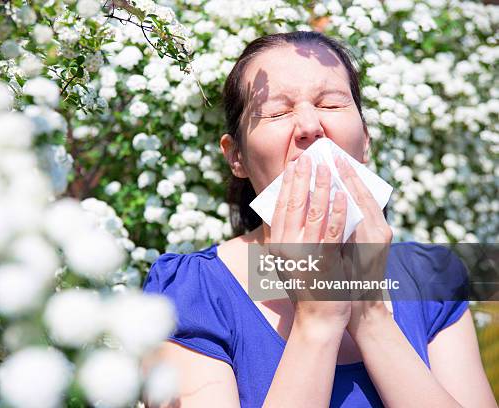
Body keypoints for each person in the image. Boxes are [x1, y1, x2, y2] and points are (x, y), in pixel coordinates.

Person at [142, 31, 496, 407]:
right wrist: (317, 324)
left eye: (331, 105)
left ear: (365, 140)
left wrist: (371, 315)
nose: (310, 126)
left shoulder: (429, 280)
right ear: (237, 157)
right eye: (277, 112)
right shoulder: (194, 294)